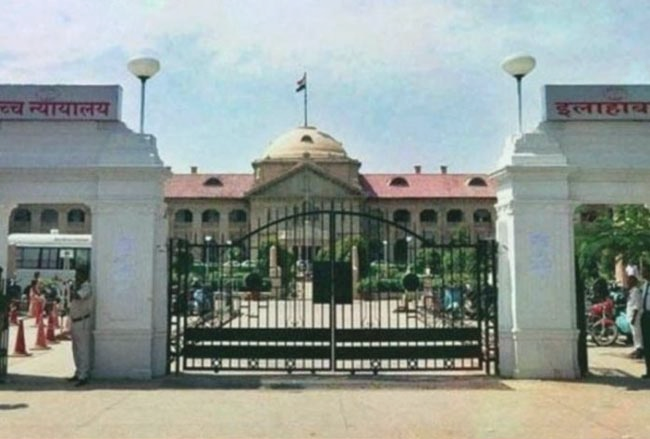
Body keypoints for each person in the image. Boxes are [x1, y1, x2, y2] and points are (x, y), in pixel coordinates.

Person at [67, 269, 93, 387]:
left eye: (79, 275)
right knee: (75, 349)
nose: (76, 277)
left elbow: (77, 296)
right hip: (75, 321)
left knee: (83, 349)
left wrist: (71, 289)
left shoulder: (86, 287)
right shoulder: (78, 287)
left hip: (83, 321)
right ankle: (78, 372)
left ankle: (84, 375)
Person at [625, 275, 643, 359]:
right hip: (631, 316)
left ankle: (639, 350)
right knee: (634, 334)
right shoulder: (631, 291)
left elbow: (636, 306)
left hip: (635, 317)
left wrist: (634, 318)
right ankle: (636, 349)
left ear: (633, 282)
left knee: (637, 334)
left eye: (629, 281)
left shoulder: (636, 291)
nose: (627, 282)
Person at [640, 266, 650, 379]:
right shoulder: (645, 285)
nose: (643, 274)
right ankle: (648, 370)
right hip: (646, 316)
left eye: (645, 272)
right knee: (647, 345)